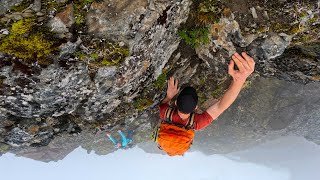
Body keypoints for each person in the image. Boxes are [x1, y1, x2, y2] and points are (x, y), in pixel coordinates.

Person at [159, 52, 255, 131]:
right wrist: (169, 97)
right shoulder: (164, 113)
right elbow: (220, 106)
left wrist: (239, 79)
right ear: (196, 108)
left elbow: (220, 107)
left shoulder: (197, 124)